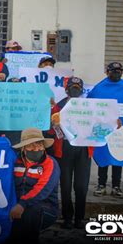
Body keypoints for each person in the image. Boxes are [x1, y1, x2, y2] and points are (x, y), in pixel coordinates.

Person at [49, 77, 93, 229]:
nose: (75, 89)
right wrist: (54, 124)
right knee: (65, 186)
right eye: (72, 86)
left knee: (81, 186)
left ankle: (79, 218)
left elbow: (101, 122)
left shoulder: (90, 106)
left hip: (84, 150)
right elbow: (50, 130)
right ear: (66, 89)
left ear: (82, 89)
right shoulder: (58, 107)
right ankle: (67, 217)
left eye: (78, 86)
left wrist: (115, 123)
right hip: (64, 150)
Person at [9, 128, 60, 243]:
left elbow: (42, 189)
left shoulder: (50, 164)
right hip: (17, 204)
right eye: (31, 145)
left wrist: (22, 204)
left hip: (46, 208)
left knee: (29, 213)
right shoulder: (14, 161)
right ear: (23, 148)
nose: (36, 149)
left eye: (39, 144)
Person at [90, 62, 123, 199]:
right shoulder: (100, 88)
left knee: (118, 156)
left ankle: (116, 186)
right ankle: (101, 185)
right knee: (104, 155)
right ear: (107, 72)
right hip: (103, 129)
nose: (117, 73)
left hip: (120, 129)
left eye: (119, 70)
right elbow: (91, 106)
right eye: (114, 70)